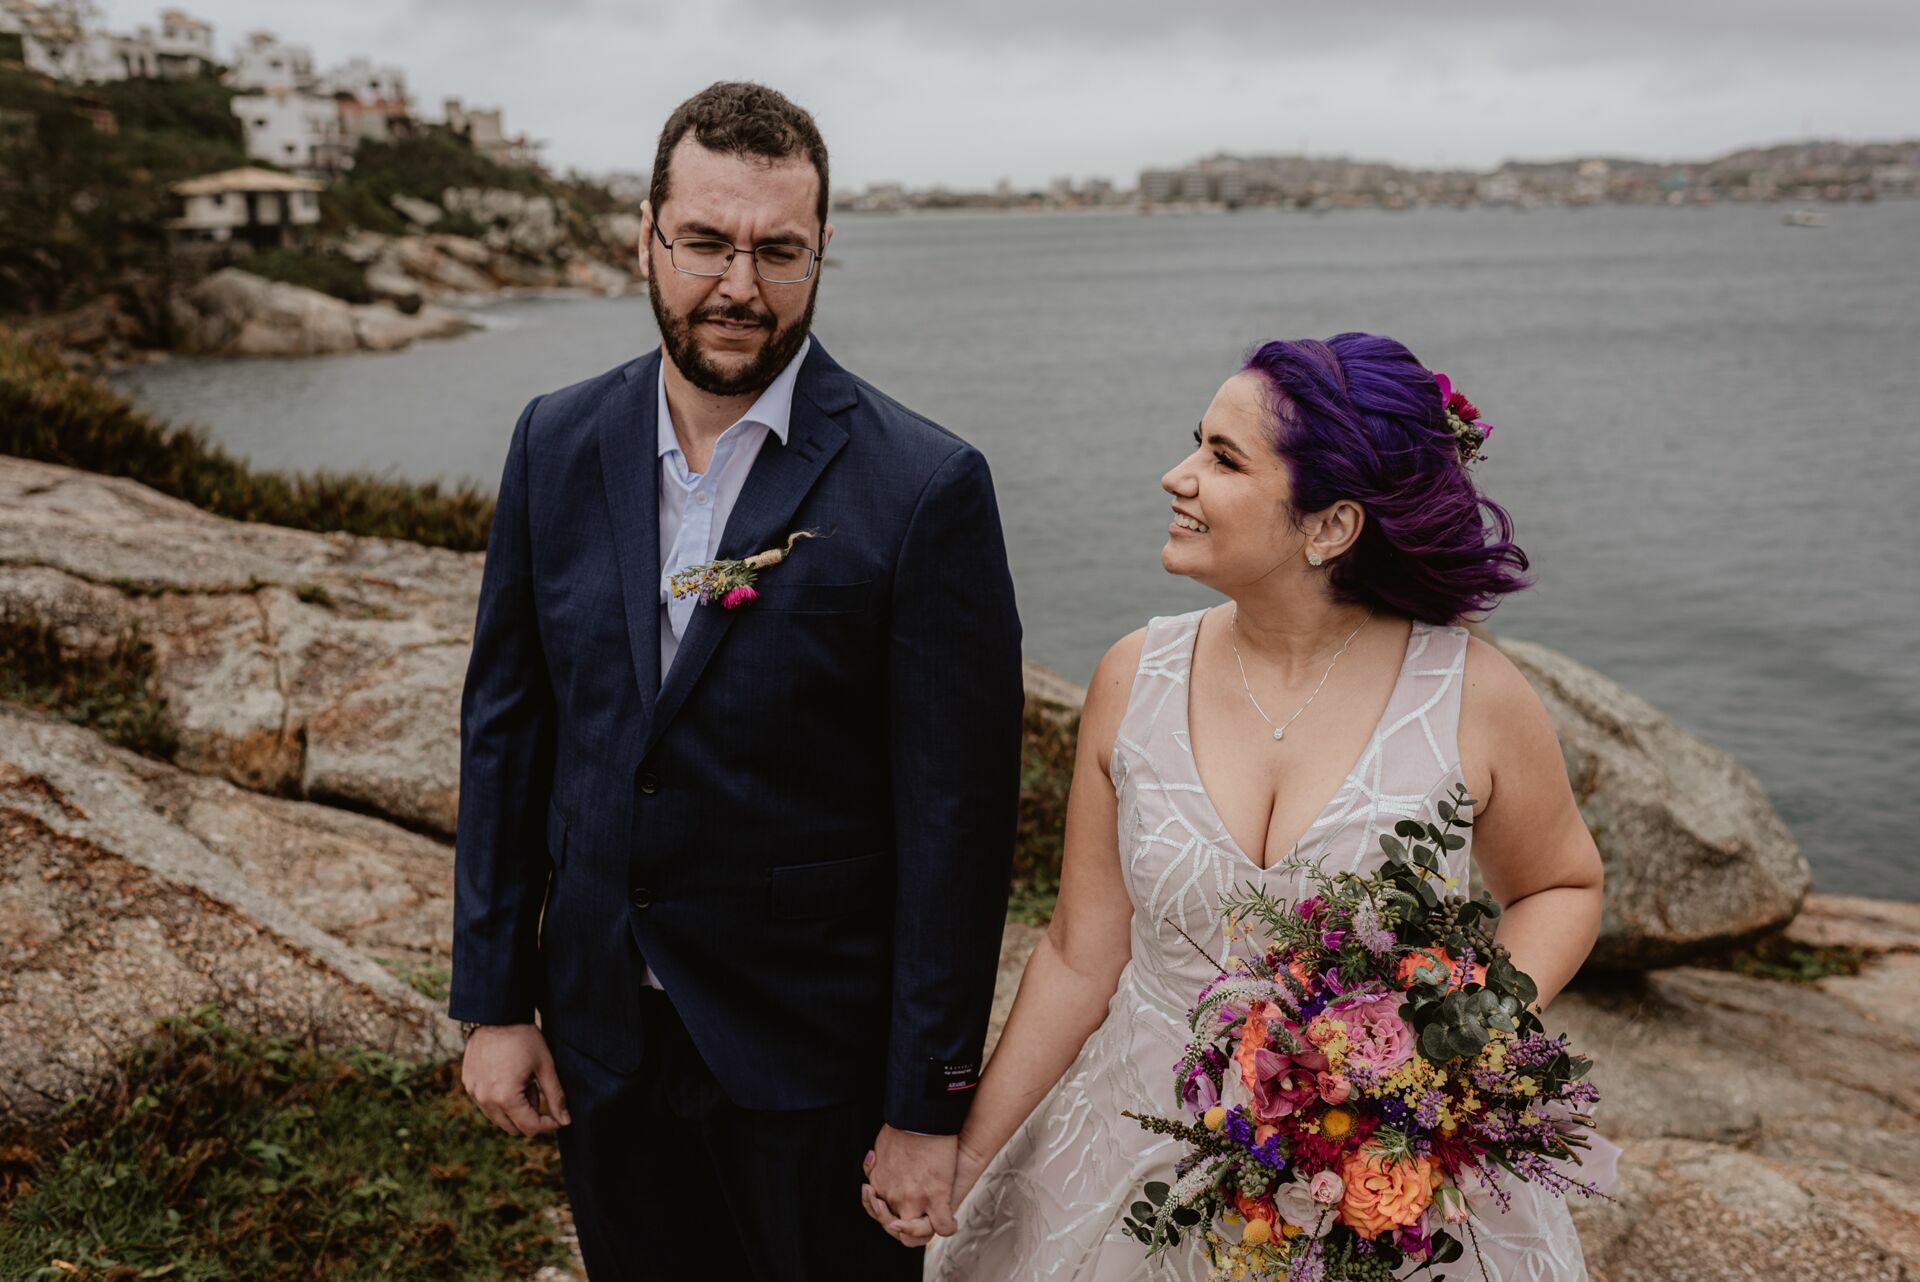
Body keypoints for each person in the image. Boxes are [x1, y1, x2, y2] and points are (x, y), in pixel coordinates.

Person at [447, 80, 1024, 1282]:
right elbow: (509, 729)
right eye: (707, 242)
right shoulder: (554, 441)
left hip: (816, 1066)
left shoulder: (925, 487)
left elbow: (956, 823)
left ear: (823, 254)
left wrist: (928, 1105)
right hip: (605, 1038)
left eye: (780, 251)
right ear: (645, 236)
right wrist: (496, 1000)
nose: (739, 287)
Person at [913, 333, 1605, 1279]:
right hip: (1132, 1139)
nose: (1178, 475)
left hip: (1377, 1172)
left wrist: (1440, 1049)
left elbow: (1561, 886)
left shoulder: (1474, 695)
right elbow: (1081, 951)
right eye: (1196, 442)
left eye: (1223, 459)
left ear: (1330, 526)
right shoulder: (1132, 677)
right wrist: (965, 1151)